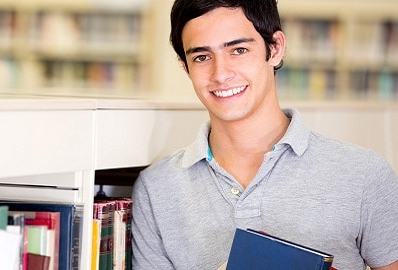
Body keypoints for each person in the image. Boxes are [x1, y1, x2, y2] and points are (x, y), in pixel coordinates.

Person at [130, 0, 398, 269]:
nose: (221, 74)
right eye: (201, 57)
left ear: (275, 49)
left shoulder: (365, 175)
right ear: (185, 66)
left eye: (239, 50)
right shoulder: (156, 189)